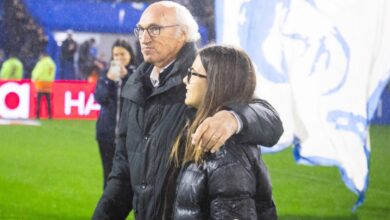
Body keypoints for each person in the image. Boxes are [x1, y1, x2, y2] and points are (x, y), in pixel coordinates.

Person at [92, 2, 283, 219]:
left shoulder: (203, 75)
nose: (144, 38)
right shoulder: (135, 85)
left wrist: (233, 116)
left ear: (182, 33)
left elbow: (271, 119)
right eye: (141, 30)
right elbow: (123, 173)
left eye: (154, 29)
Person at [167, 45, 277, 219]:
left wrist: (233, 118)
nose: (185, 80)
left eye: (193, 74)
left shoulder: (225, 150)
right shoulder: (200, 129)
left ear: (217, 82)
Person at [94, 39, 139, 189]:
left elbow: (137, 97)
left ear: (130, 55)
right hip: (106, 134)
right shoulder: (106, 74)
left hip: (130, 136)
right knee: (108, 174)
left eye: (122, 54)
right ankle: (107, 211)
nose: (119, 58)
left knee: (131, 176)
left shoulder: (138, 74)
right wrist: (109, 80)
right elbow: (100, 98)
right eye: (116, 54)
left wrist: (126, 77)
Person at [31, 51, 56, 119]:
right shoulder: (52, 63)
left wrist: (34, 78)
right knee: (48, 101)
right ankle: (50, 115)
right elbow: (53, 73)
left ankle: (37, 115)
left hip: (41, 83)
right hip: (48, 83)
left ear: (42, 56)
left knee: (38, 100)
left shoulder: (41, 63)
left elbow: (38, 72)